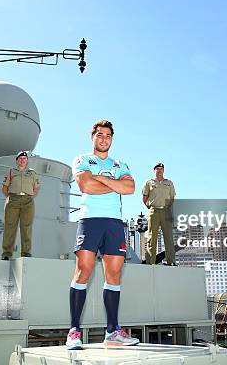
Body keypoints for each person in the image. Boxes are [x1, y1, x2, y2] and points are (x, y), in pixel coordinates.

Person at [66, 120, 140, 350]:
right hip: (90, 220)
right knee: (84, 270)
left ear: (112, 139)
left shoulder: (120, 163)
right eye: (100, 134)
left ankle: (112, 332)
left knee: (114, 274)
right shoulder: (82, 159)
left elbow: (130, 188)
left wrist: (102, 179)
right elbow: (86, 185)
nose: (104, 138)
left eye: (108, 135)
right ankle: (74, 331)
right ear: (93, 137)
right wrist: (115, 184)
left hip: (114, 222)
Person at [1, 151, 40, 260]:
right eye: (20, 158)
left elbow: (36, 188)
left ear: (27, 161)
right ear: (17, 160)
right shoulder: (11, 172)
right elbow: (5, 187)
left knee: (26, 227)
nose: (22, 160)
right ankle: (6, 254)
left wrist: (30, 196)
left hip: (28, 201)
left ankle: (26, 253)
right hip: (13, 200)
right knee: (10, 227)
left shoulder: (32, 173)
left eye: (24, 158)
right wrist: (11, 197)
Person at [142, 163, 176, 265]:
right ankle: (150, 262)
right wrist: (151, 207)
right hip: (154, 211)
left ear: (163, 171)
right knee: (152, 237)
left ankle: (171, 262)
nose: (159, 170)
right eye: (157, 169)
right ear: (154, 171)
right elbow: (145, 198)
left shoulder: (169, 183)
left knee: (169, 238)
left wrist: (167, 208)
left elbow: (172, 198)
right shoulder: (149, 183)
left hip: (166, 211)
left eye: (161, 169)